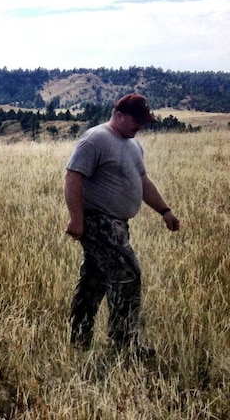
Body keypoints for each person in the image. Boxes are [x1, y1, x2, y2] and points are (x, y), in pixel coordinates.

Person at [64, 93, 180, 357]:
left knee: (95, 279)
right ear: (118, 115)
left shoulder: (133, 144)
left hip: (118, 223)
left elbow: (142, 181)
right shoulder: (95, 139)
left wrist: (165, 211)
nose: (139, 126)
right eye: (135, 121)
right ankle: (124, 346)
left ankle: (79, 339)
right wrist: (76, 218)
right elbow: (73, 176)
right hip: (99, 221)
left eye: (143, 121)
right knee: (128, 275)